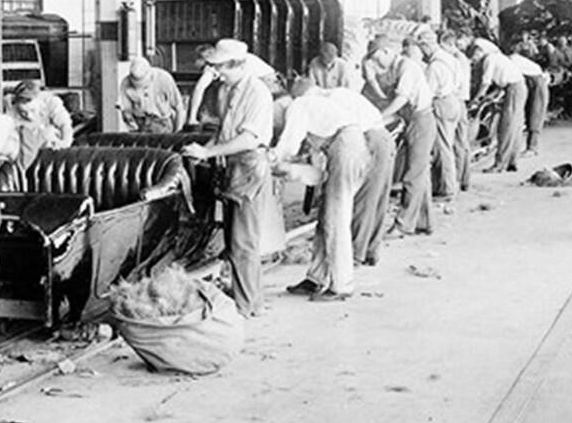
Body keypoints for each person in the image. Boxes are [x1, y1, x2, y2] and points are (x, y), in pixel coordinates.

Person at [182, 39, 277, 317]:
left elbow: (247, 139)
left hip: (250, 167)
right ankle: (246, 298)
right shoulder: (226, 89)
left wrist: (209, 152)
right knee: (234, 240)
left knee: (243, 242)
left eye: (220, 67)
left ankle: (247, 306)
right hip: (232, 166)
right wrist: (204, 150)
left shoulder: (257, 93)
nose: (216, 73)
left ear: (238, 65)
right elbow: (224, 132)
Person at [273, 79, 388, 301]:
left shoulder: (298, 105)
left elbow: (288, 144)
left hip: (345, 148)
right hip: (346, 146)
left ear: (283, 104)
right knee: (326, 216)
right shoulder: (317, 108)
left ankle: (341, 285)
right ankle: (316, 277)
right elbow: (313, 163)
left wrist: (272, 157)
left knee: (336, 217)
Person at [367, 35, 435, 237]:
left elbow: (401, 100)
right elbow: (396, 108)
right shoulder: (394, 68)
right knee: (419, 172)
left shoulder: (407, 67)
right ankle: (425, 222)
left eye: (377, 58)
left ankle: (403, 224)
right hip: (410, 119)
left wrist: (379, 116)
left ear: (387, 51)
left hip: (421, 120)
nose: (376, 63)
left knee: (413, 173)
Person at [416, 27, 462, 199]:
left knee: (442, 147)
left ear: (427, 46)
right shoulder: (450, 59)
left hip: (441, 104)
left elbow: (427, 93)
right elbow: (459, 81)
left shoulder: (434, 66)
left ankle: (447, 189)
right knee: (447, 144)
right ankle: (446, 185)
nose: (422, 54)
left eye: (422, 49)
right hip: (453, 101)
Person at [187, 43, 280, 129]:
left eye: (203, 67)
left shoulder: (219, 64)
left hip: (268, 85)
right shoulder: (240, 57)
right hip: (274, 83)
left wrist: (192, 118)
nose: (204, 71)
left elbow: (199, 88)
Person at [473, 42, 528, 173]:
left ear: (480, 51)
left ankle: (500, 164)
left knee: (506, 127)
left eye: (475, 55)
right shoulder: (498, 57)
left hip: (513, 89)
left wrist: (476, 99)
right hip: (516, 87)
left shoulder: (489, 59)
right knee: (515, 126)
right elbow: (500, 83)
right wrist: (489, 97)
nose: (474, 59)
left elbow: (486, 82)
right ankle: (512, 161)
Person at [441, 29, 473, 192]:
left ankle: (458, 179)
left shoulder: (457, 59)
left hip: (458, 101)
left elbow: (453, 84)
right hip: (459, 101)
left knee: (458, 143)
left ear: (449, 44)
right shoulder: (459, 58)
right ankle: (464, 180)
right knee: (461, 142)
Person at [119, 55, 185, 133]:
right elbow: (126, 112)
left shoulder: (164, 79)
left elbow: (179, 107)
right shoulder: (125, 83)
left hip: (162, 122)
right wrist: (133, 128)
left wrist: (177, 132)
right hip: (140, 122)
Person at [509, 40, 549, 157]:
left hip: (537, 84)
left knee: (535, 114)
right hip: (533, 83)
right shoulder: (514, 59)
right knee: (530, 113)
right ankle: (530, 146)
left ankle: (532, 147)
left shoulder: (512, 60)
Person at [10, 79, 74, 149]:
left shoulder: (50, 101)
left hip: (55, 143)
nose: (29, 115)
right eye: (23, 113)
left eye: (32, 110)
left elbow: (65, 124)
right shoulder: (11, 111)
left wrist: (65, 143)